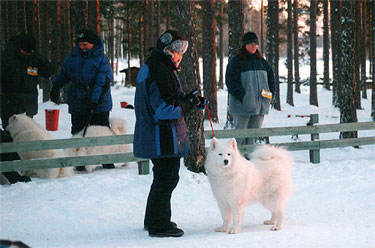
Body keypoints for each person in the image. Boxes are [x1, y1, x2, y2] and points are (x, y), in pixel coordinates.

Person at [133, 30, 206, 238]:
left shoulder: (161, 67)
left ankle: (154, 219)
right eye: (177, 50)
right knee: (166, 178)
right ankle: (158, 224)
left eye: (183, 50)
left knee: (164, 178)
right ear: (167, 49)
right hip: (161, 135)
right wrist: (187, 105)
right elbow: (164, 109)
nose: (180, 55)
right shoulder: (159, 70)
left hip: (163, 134)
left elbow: (172, 99)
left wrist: (189, 100)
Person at [50, 29, 114, 170]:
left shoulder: (101, 59)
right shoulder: (73, 57)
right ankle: (79, 160)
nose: (82, 47)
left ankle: (107, 159)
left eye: (85, 44)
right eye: (80, 44)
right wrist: (55, 87)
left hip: (99, 101)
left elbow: (102, 80)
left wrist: (95, 99)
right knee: (78, 130)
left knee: (100, 131)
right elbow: (64, 74)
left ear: (92, 44)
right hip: (78, 99)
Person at [225, 31, 275, 148]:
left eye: (255, 44)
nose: (253, 46)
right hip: (242, 107)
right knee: (240, 137)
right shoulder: (236, 62)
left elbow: (271, 81)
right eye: (251, 44)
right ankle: (238, 161)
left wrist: (269, 96)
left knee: (254, 136)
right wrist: (243, 97)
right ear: (245, 45)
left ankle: (250, 161)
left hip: (260, 107)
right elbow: (231, 82)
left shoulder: (263, 62)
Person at [1, 33, 54, 129]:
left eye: (30, 52)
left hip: (28, 104)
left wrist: (42, 61)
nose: (28, 54)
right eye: (25, 52)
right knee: (10, 133)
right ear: (19, 48)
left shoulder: (35, 58)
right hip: (9, 104)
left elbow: (48, 72)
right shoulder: (6, 58)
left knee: (26, 132)